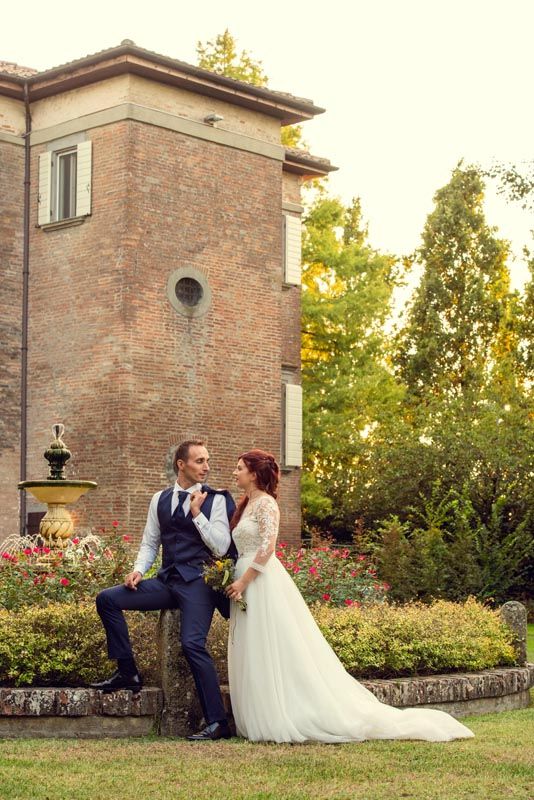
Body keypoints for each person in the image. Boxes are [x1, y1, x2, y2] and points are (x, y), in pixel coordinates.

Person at [225, 448, 475, 744]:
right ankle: (261, 712)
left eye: (239, 468)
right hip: (243, 581)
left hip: (259, 581)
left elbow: (268, 548)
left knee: (271, 645)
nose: (235, 472)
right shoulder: (246, 505)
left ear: (254, 474)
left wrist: (243, 581)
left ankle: (285, 713)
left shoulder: (267, 504)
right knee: (253, 646)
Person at [91, 440, 237, 741]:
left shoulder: (217, 500)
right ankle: (128, 672)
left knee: (192, 643)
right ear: (181, 464)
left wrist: (197, 514)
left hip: (199, 583)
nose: (206, 467)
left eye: (207, 460)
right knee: (107, 599)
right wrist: (138, 571)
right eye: (199, 461)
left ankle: (217, 722)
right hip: (168, 581)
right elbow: (150, 542)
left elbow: (222, 546)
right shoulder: (159, 499)